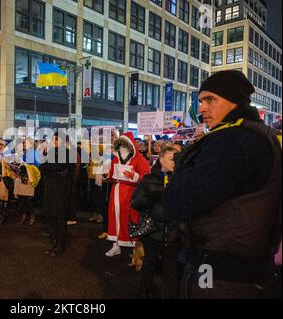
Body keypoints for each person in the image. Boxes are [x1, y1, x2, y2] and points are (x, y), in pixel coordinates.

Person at [163, 70, 282, 299]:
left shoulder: (232, 141)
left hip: (219, 272)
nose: (201, 109)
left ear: (234, 101)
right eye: (200, 101)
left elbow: (177, 203)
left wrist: (180, 167)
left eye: (210, 100)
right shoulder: (258, 135)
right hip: (243, 268)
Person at [132, 146, 183, 298]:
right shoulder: (149, 179)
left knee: (170, 268)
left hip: (175, 232)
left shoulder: (183, 179)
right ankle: (142, 293)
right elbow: (137, 204)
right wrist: (153, 195)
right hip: (153, 231)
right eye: (170, 159)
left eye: (177, 159)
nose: (174, 163)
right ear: (161, 159)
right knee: (149, 264)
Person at [105, 131, 150, 257]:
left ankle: (134, 247)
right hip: (116, 191)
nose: (122, 149)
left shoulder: (139, 159)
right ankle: (116, 244)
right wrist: (107, 176)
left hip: (131, 193)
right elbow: (111, 175)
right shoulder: (115, 158)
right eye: (120, 146)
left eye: (124, 146)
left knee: (131, 218)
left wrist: (135, 176)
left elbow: (146, 177)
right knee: (115, 217)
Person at [41, 133, 74, 256]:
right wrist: (50, 168)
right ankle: (54, 242)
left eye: (56, 139)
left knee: (60, 218)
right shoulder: (51, 152)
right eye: (53, 139)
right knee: (51, 217)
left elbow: (58, 167)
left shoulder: (68, 153)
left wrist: (50, 168)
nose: (54, 141)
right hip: (50, 189)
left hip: (61, 191)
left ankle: (60, 245)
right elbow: (43, 167)